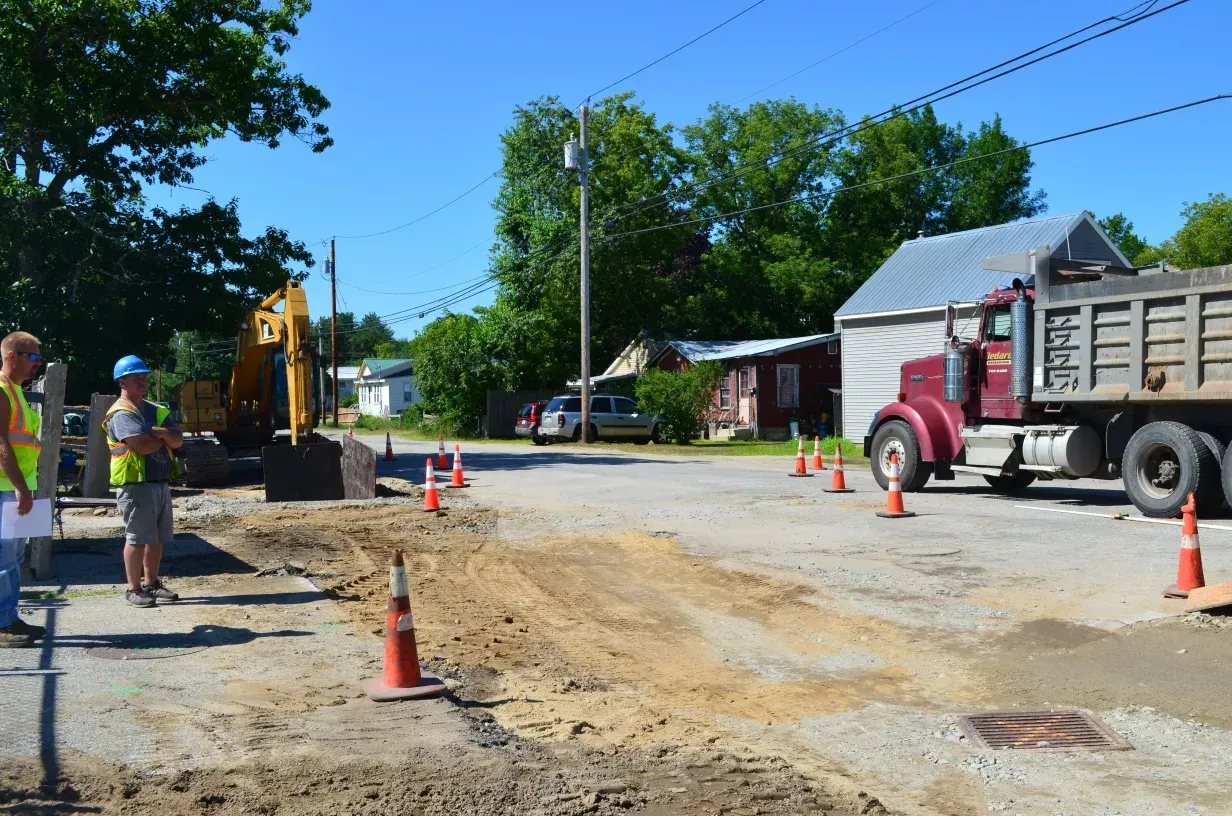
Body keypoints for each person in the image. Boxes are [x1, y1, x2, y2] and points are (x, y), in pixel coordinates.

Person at [104, 355, 184, 608]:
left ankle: (152, 583)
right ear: (121, 381)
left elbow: (179, 439)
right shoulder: (121, 412)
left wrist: (160, 435)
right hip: (135, 484)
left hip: (159, 482)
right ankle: (134, 588)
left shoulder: (155, 409)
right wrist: (164, 437)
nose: (143, 381)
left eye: (145, 377)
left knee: (157, 537)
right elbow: (142, 446)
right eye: (136, 377)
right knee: (137, 538)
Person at [0, 331, 45, 647]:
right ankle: (3, 624)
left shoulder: (15, 391)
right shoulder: (2, 391)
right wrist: (20, 488)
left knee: (13, 559)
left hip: (20, 487)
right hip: (8, 489)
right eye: (33, 356)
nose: (38, 363)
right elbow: (2, 445)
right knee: (3, 561)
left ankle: (9, 618)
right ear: (12, 356)